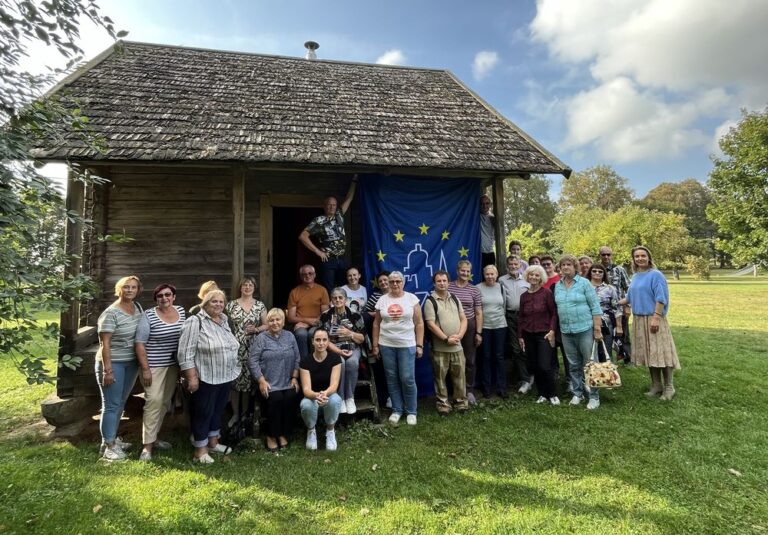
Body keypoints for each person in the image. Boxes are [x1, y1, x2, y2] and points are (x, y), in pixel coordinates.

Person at [177, 289, 240, 464]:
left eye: (221, 302)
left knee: (217, 410)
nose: (218, 305)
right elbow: (185, 353)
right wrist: (192, 377)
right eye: (214, 301)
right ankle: (200, 450)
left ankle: (213, 442)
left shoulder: (224, 321)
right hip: (205, 376)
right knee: (203, 412)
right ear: (205, 303)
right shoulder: (195, 321)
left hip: (225, 375)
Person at [135, 283, 185, 461]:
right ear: (156, 299)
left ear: (174, 297)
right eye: (160, 296)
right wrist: (146, 368)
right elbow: (140, 343)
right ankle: (146, 447)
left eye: (168, 295)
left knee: (164, 402)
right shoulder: (149, 315)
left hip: (173, 365)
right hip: (154, 365)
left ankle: (154, 438)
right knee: (153, 401)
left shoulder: (181, 311)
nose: (164, 298)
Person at [96, 275, 143, 461]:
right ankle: (108, 446)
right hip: (113, 363)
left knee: (121, 402)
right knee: (111, 405)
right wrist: (108, 370)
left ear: (138, 290)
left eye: (133, 287)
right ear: (119, 289)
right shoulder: (111, 313)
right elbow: (104, 344)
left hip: (130, 363)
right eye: (126, 287)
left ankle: (112, 439)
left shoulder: (136, 308)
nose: (130, 290)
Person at [624, 246, 680, 400]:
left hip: (654, 318)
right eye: (637, 256)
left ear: (649, 257)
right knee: (650, 353)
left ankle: (669, 387)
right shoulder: (635, 276)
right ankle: (656, 385)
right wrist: (609, 301)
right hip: (639, 320)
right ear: (633, 259)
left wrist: (656, 317)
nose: (640, 258)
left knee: (662, 352)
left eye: (643, 255)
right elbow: (628, 298)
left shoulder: (656, 275)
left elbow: (661, 298)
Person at [372, 271, 424, 425]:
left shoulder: (412, 299)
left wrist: (419, 344)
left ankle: (411, 411)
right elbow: (376, 323)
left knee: (407, 378)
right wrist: (375, 345)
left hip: (407, 344)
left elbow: (419, 323)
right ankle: (397, 409)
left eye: (398, 281)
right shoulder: (382, 300)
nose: (395, 284)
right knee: (392, 378)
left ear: (403, 282)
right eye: (392, 281)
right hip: (386, 344)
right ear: (388, 283)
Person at [553, 255, 604, 410]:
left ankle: (594, 396)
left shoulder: (584, 283)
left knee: (589, 363)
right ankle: (577, 393)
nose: (565, 267)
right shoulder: (558, 285)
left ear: (575, 267)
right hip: (566, 330)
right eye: (563, 265)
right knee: (573, 364)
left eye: (569, 264)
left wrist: (597, 329)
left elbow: (595, 307)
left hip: (585, 329)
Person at [248, 308, 301, 452]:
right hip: (268, 382)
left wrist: (295, 377)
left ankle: (283, 433)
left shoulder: (290, 336)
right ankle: (271, 435)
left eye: (278, 319)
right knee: (276, 399)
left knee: (290, 397)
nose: (274, 322)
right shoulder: (261, 338)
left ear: (283, 322)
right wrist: (261, 380)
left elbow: (297, 358)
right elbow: (253, 361)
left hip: (287, 381)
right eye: (271, 320)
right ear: (267, 322)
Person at [298, 176, 358, 292]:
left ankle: (342, 309)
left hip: (342, 258)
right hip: (328, 259)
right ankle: (329, 309)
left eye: (334, 205)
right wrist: (318, 251)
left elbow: (349, 198)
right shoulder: (319, 221)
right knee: (328, 288)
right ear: (324, 206)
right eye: (329, 205)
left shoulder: (339, 215)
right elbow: (303, 236)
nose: (332, 207)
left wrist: (354, 180)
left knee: (344, 287)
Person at [424, 270, 468, 415]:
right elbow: (431, 324)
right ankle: (443, 405)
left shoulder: (455, 298)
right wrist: (446, 338)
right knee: (440, 378)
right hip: (440, 347)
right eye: (439, 281)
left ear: (449, 283)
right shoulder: (430, 301)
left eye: (444, 281)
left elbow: (463, 319)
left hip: (457, 346)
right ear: (434, 283)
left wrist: (460, 335)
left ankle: (460, 402)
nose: (442, 283)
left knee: (459, 376)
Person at [226, 276, 268, 425]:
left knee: (247, 383)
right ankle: (235, 414)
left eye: (250, 285)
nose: (247, 287)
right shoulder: (231, 305)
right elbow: (224, 324)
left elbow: (267, 325)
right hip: (235, 347)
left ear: (254, 288)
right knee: (235, 382)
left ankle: (245, 414)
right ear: (240, 288)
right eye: (245, 285)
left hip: (253, 347)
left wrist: (256, 329)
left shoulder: (259, 305)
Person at [320, 287, 366, 414]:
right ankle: (340, 398)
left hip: (353, 348)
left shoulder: (355, 315)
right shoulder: (325, 316)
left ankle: (350, 398)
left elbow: (362, 338)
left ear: (345, 300)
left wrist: (350, 333)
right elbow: (324, 340)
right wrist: (339, 351)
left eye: (340, 297)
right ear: (331, 300)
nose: (338, 300)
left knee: (352, 363)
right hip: (334, 349)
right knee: (340, 363)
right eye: (335, 298)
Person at [518, 265, 559, 405]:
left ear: (541, 277)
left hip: (544, 334)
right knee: (534, 366)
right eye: (531, 275)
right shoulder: (524, 296)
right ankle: (542, 394)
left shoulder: (546, 293)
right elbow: (521, 317)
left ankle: (552, 394)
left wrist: (552, 330)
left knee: (545, 365)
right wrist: (520, 336)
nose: (534, 277)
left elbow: (554, 313)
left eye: (537, 275)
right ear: (527, 276)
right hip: (528, 334)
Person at [299, 329, 343, 451]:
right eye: (318, 340)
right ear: (312, 342)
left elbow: (334, 386)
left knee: (335, 400)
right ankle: (311, 431)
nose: (321, 343)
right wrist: (317, 395)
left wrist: (325, 394)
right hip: (312, 396)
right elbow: (306, 389)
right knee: (306, 404)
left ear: (328, 342)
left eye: (324, 340)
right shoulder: (305, 361)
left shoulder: (335, 359)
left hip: (329, 393)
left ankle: (330, 430)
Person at [448, 260, 483, 404]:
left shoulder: (474, 290)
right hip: (451, 327)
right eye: (463, 270)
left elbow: (479, 312)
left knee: (470, 360)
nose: (465, 273)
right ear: (457, 271)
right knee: (451, 360)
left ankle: (469, 391)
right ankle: (454, 391)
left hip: (469, 327)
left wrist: (478, 333)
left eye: (468, 271)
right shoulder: (448, 287)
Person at [498, 256, 532, 395]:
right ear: (507, 266)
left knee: (528, 347)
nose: (513, 266)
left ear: (520, 265)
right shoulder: (501, 280)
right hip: (510, 316)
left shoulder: (527, 280)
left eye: (515, 264)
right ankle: (524, 379)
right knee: (516, 348)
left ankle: (531, 375)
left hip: (527, 317)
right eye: (510, 264)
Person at [476, 264, 508, 398]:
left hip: (500, 326)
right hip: (485, 327)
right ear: (484, 275)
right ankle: (486, 387)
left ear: (496, 275)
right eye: (487, 274)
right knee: (486, 357)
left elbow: (504, 306)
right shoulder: (478, 288)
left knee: (500, 357)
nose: (490, 276)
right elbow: (477, 309)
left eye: (492, 274)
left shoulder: (501, 287)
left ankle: (501, 387)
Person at [287, 265, 330, 360]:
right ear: (301, 276)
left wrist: (309, 323)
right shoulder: (294, 292)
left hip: (317, 324)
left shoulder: (322, 290)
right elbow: (290, 317)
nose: (307, 276)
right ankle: (304, 363)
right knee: (301, 334)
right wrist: (307, 321)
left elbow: (325, 314)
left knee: (312, 333)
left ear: (314, 275)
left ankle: (316, 361)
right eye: (304, 274)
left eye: (310, 273)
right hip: (300, 324)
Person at [599, 246, 632, 363]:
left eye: (608, 254)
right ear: (600, 256)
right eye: (603, 254)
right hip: (603, 309)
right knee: (606, 334)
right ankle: (606, 358)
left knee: (623, 333)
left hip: (619, 307)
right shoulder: (597, 270)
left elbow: (629, 288)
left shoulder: (619, 269)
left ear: (612, 255)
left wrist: (628, 306)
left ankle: (627, 358)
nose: (606, 257)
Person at [588, 264, 623, 362]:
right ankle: (591, 374)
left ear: (604, 274)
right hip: (587, 323)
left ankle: (608, 374)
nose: (597, 273)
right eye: (594, 271)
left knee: (606, 350)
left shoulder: (610, 288)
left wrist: (619, 326)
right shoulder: (584, 287)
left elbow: (617, 308)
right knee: (589, 351)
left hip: (607, 324)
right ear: (590, 273)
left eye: (600, 271)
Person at [480, 194, 496, 268]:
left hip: (490, 252)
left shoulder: (493, 218)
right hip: (478, 252)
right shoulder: (475, 216)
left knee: (490, 275)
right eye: (482, 203)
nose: (484, 206)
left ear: (490, 204)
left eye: (487, 203)